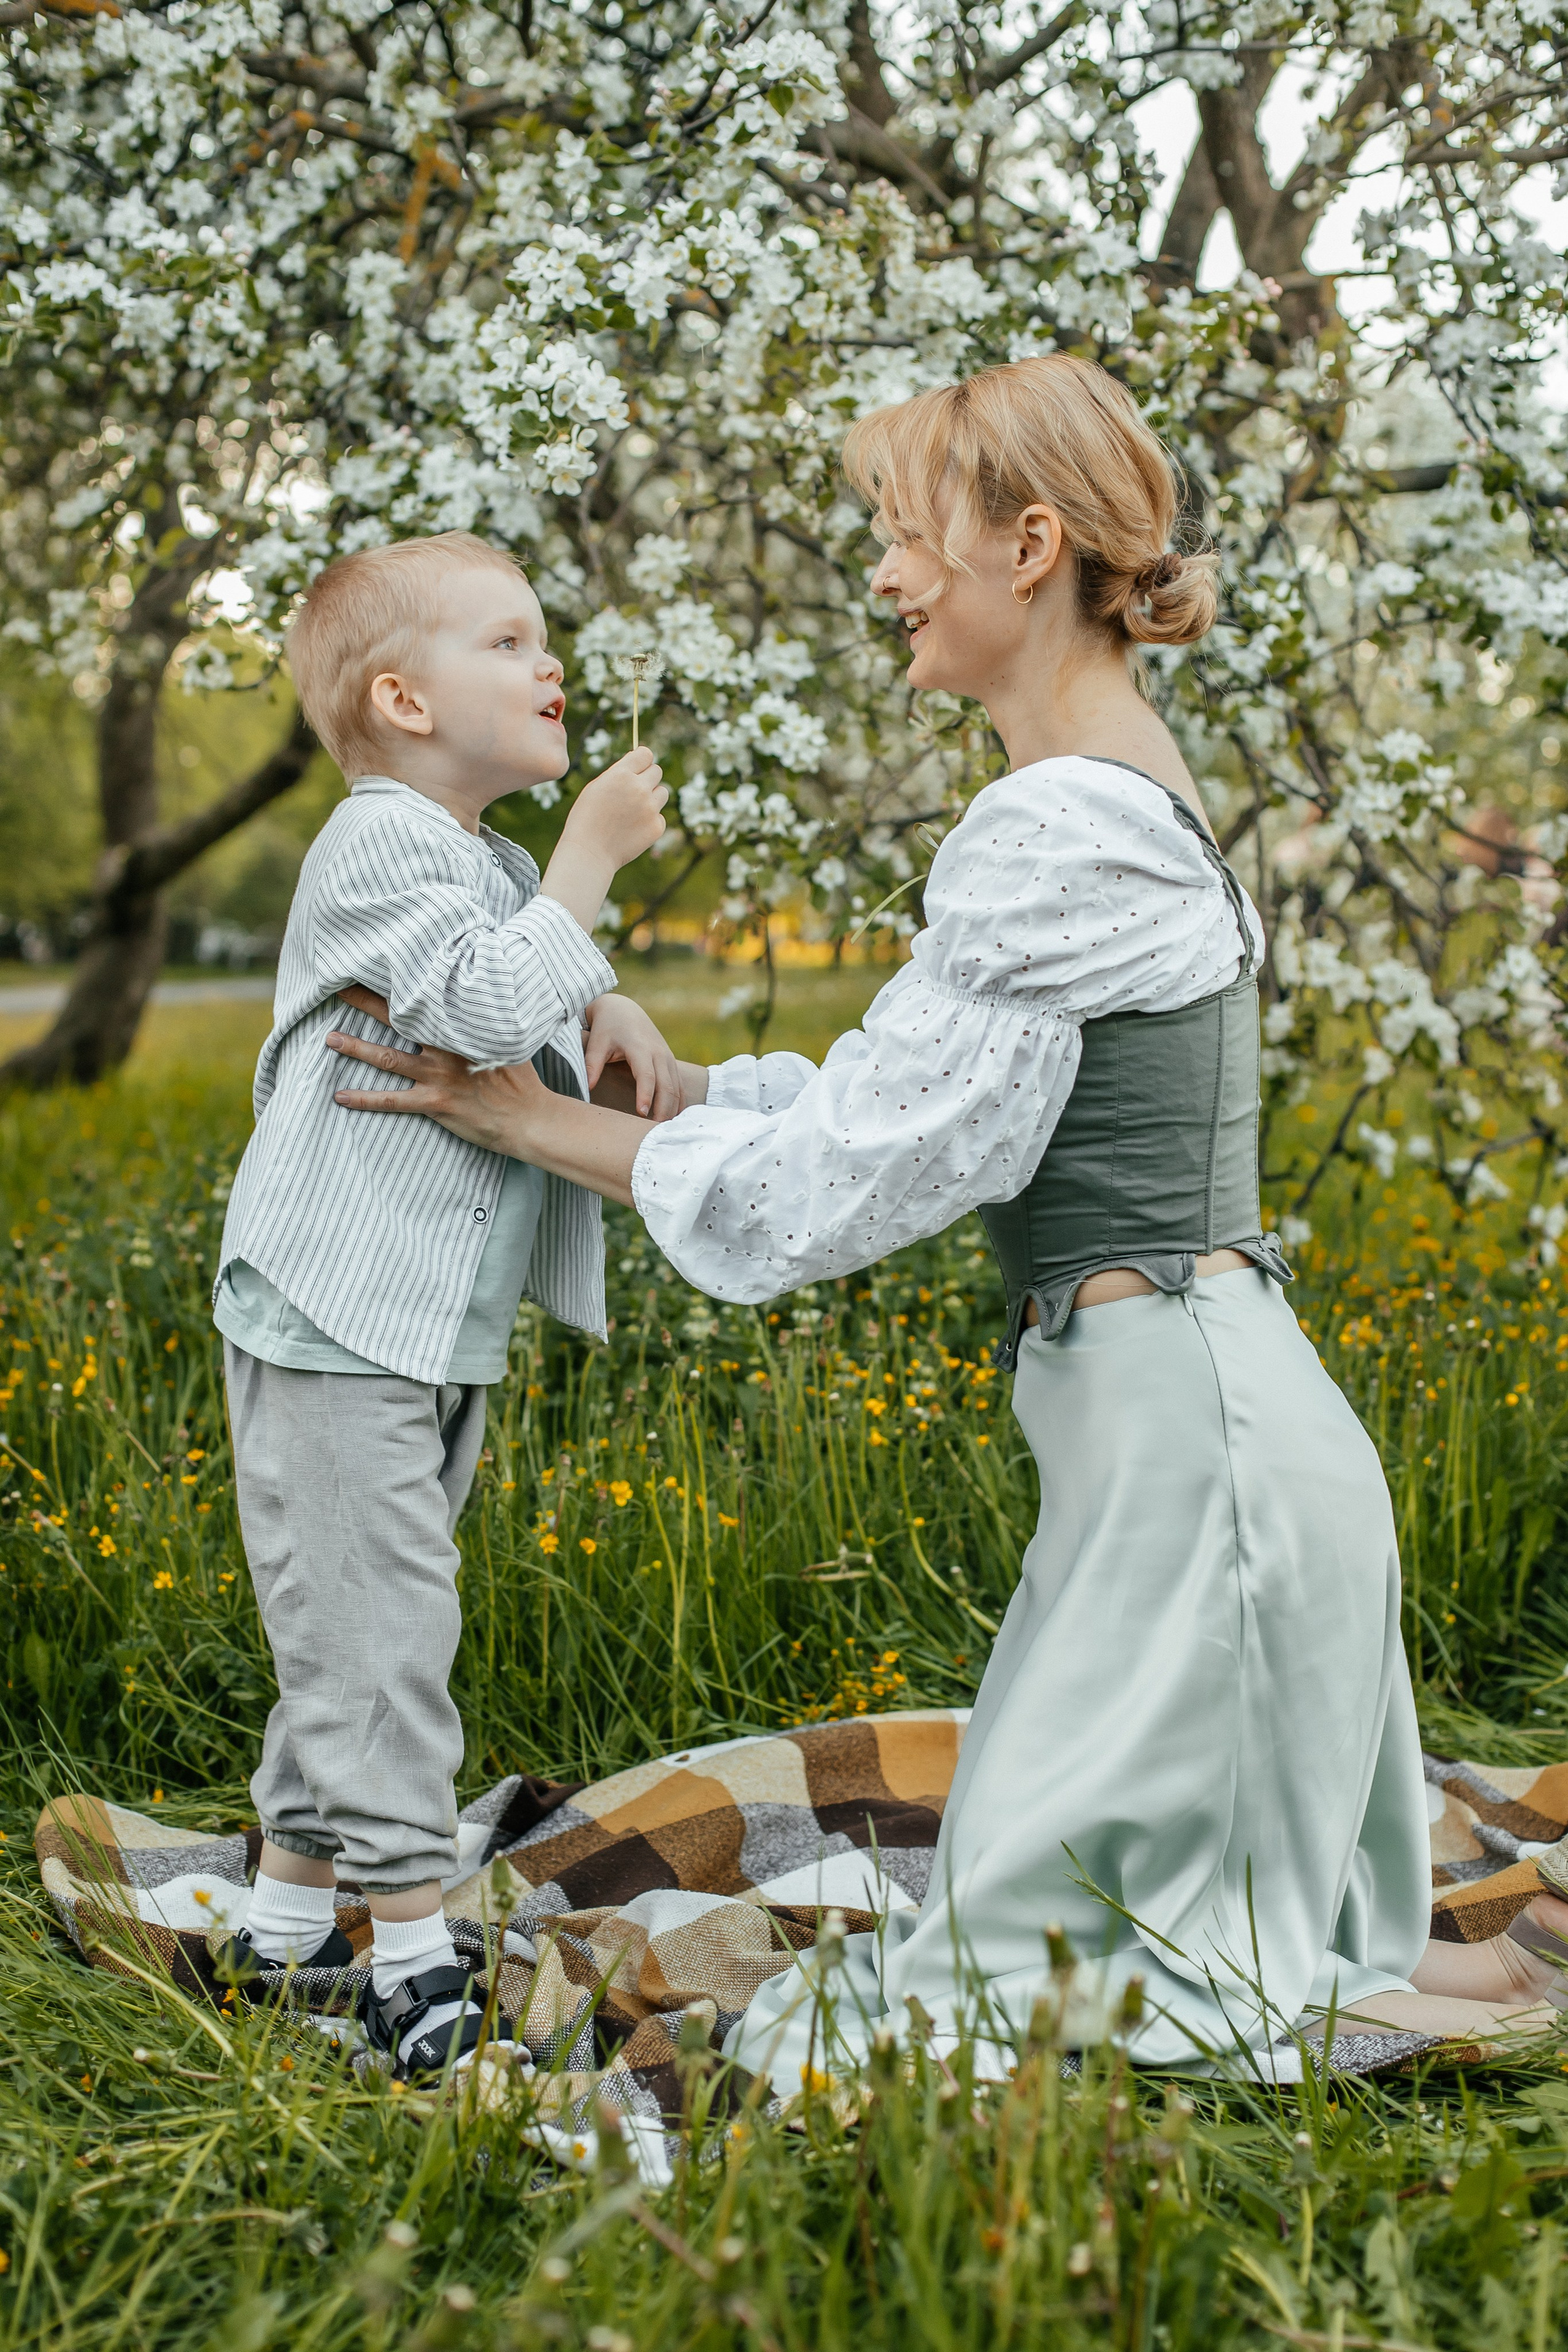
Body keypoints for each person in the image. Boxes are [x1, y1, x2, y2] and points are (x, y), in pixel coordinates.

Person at [325, 366, 1568, 2075]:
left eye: (909, 539)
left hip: (1195, 1464)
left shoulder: (1056, 826)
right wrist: (690, 1092)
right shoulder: (1117, 794)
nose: (888, 577)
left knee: (1008, 1990)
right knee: (1134, 1927)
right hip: (1206, 1443)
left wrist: (526, 1121)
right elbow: (931, 1095)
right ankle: (1445, 1995)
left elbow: (829, 1191)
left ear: (1030, 545)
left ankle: (1438, 2009)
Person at [214, 530, 682, 2081]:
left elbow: (535, 981)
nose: (549, 665)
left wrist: (614, 1007)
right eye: (509, 642)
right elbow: (481, 1002)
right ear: (405, 700)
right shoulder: (374, 844)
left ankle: (281, 1932)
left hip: (417, 1323)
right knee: (383, 1631)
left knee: (353, 1626)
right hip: (338, 1313)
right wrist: (592, 857)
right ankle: (408, 1951)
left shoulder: (467, 860)